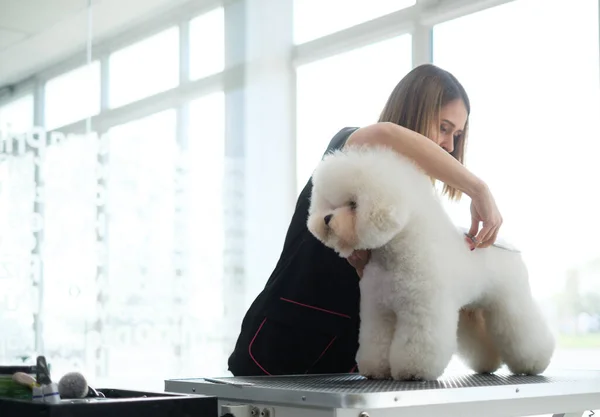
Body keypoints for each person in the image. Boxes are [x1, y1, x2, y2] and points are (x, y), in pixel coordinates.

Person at [227, 63, 503, 377]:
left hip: (341, 359)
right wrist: (478, 189)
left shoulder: (408, 200)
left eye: (457, 135)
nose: (450, 146)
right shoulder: (352, 147)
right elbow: (385, 134)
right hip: (278, 345)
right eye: (443, 127)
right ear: (414, 111)